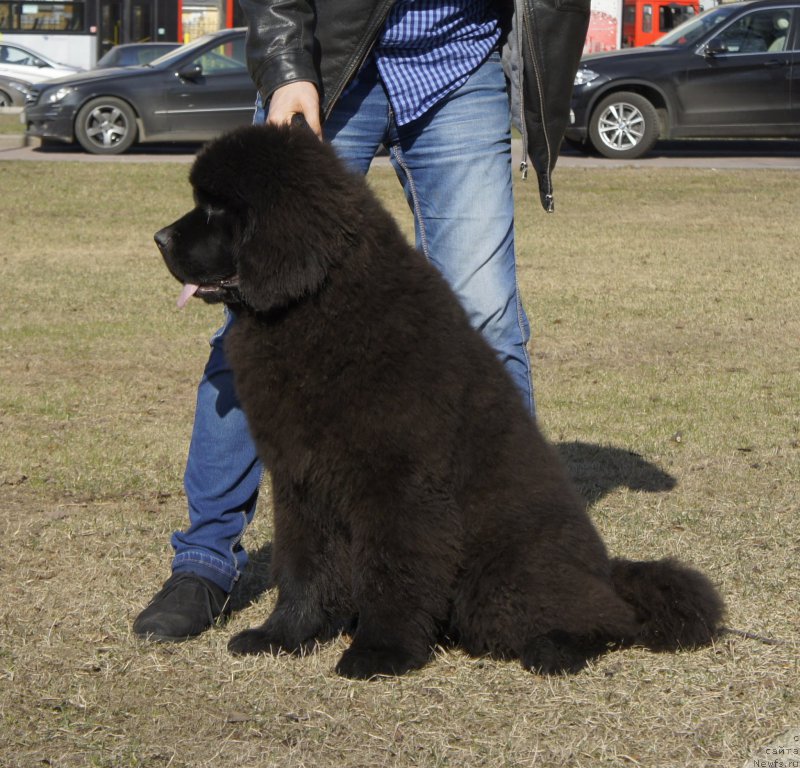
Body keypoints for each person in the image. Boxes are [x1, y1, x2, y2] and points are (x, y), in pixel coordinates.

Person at [134, 0, 589, 641]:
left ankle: (517, 565)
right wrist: (288, 62)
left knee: (489, 318)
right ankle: (204, 562)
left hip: (460, 64)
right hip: (329, 62)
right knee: (253, 313)